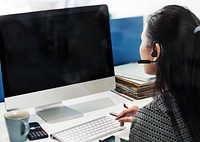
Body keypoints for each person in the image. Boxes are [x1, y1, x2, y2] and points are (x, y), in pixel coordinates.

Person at [116, 5, 200, 142]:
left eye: (142, 41)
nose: (140, 47)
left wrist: (148, 122)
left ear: (156, 51)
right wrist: (151, 120)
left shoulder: (148, 121)